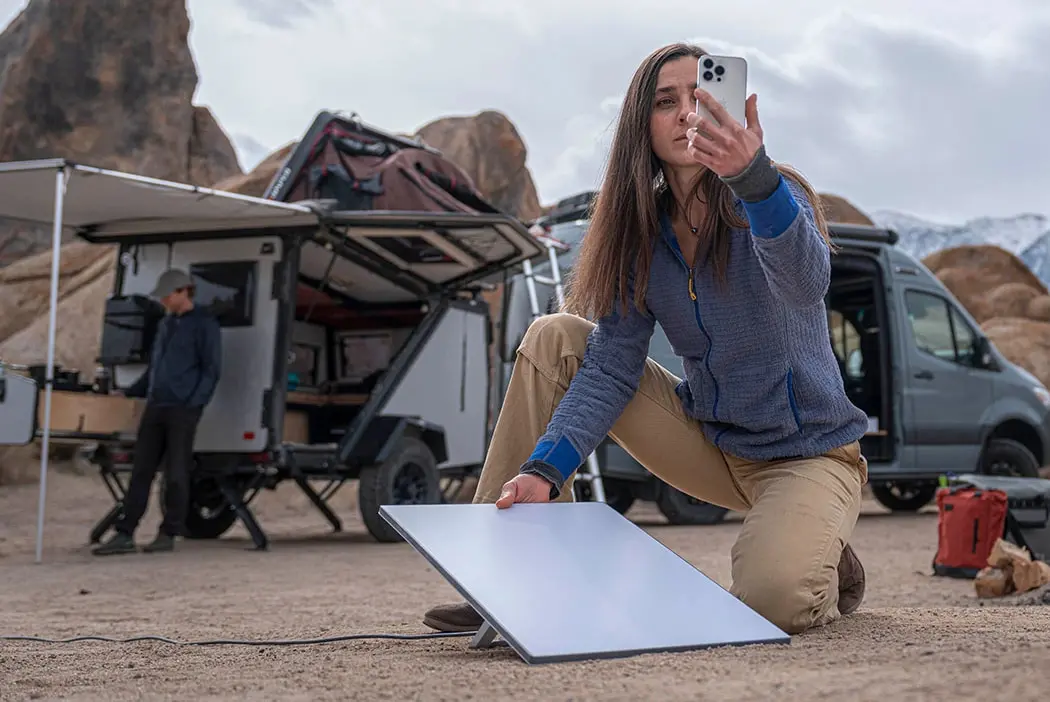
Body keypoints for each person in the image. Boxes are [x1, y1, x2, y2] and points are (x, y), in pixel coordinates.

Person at [422, 42, 870, 636]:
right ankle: (505, 577)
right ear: (643, 125)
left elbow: (806, 283)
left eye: (700, 96)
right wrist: (545, 469)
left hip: (807, 456)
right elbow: (610, 367)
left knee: (774, 601)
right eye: (666, 101)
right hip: (710, 442)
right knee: (557, 336)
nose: (687, 112)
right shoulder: (639, 229)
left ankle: (817, 543)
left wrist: (752, 180)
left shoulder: (774, 194)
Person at [92, 269, 223, 556]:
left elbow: (211, 370)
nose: (163, 301)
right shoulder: (166, 324)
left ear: (182, 292)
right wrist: (130, 391)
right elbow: (155, 369)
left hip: (182, 409)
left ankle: (169, 531)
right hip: (156, 405)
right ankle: (125, 533)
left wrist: (193, 403)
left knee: (176, 472)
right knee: (141, 471)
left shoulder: (204, 324)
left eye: (167, 295)